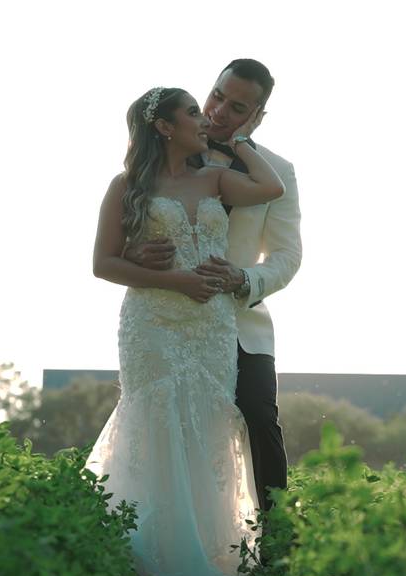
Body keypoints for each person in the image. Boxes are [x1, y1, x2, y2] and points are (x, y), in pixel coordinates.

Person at [82, 85, 285, 576]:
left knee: (208, 427)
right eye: (194, 111)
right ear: (165, 127)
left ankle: (208, 553)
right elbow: (104, 264)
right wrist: (172, 278)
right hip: (153, 324)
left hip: (212, 329)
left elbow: (271, 188)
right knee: (157, 424)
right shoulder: (126, 186)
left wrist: (238, 140)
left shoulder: (217, 176)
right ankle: (145, 556)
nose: (206, 117)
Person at [124, 59, 301, 518]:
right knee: (166, 426)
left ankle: (276, 537)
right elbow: (123, 234)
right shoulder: (167, 153)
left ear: (257, 113)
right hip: (169, 319)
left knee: (260, 418)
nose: (219, 111)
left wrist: (244, 279)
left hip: (241, 323)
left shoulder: (277, 171)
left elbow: (287, 256)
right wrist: (135, 255)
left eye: (237, 107)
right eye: (217, 96)